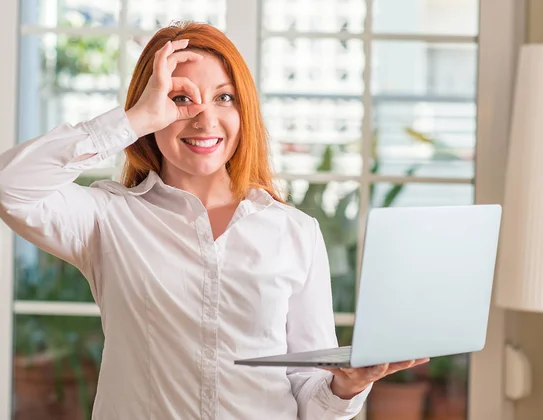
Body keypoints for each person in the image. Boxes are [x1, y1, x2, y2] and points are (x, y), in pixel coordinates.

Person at [0, 22, 428, 419]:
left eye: (224, 97)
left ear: (244, 110)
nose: (205, 118)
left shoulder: (295, 232)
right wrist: (134, 119)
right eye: (181, 98)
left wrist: (343, 388)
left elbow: (308, 390)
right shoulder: (107, 218)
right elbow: (10, 186)